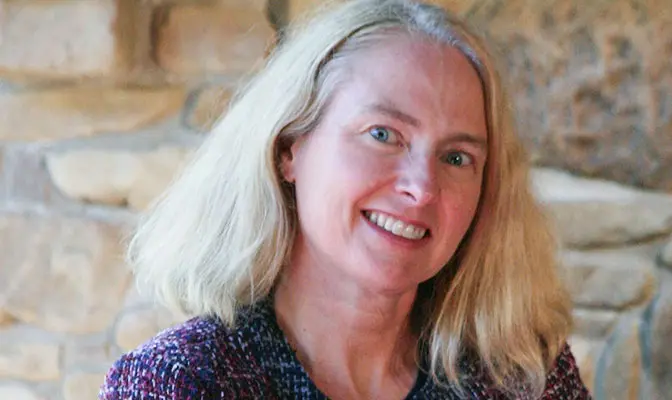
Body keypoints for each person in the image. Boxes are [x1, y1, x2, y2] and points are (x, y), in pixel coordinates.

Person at [99, 0, 591, 398]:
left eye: (458, 158)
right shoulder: (181, 383)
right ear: (289, 147)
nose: (421, 188)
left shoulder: (525, 376)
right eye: (383, 134)